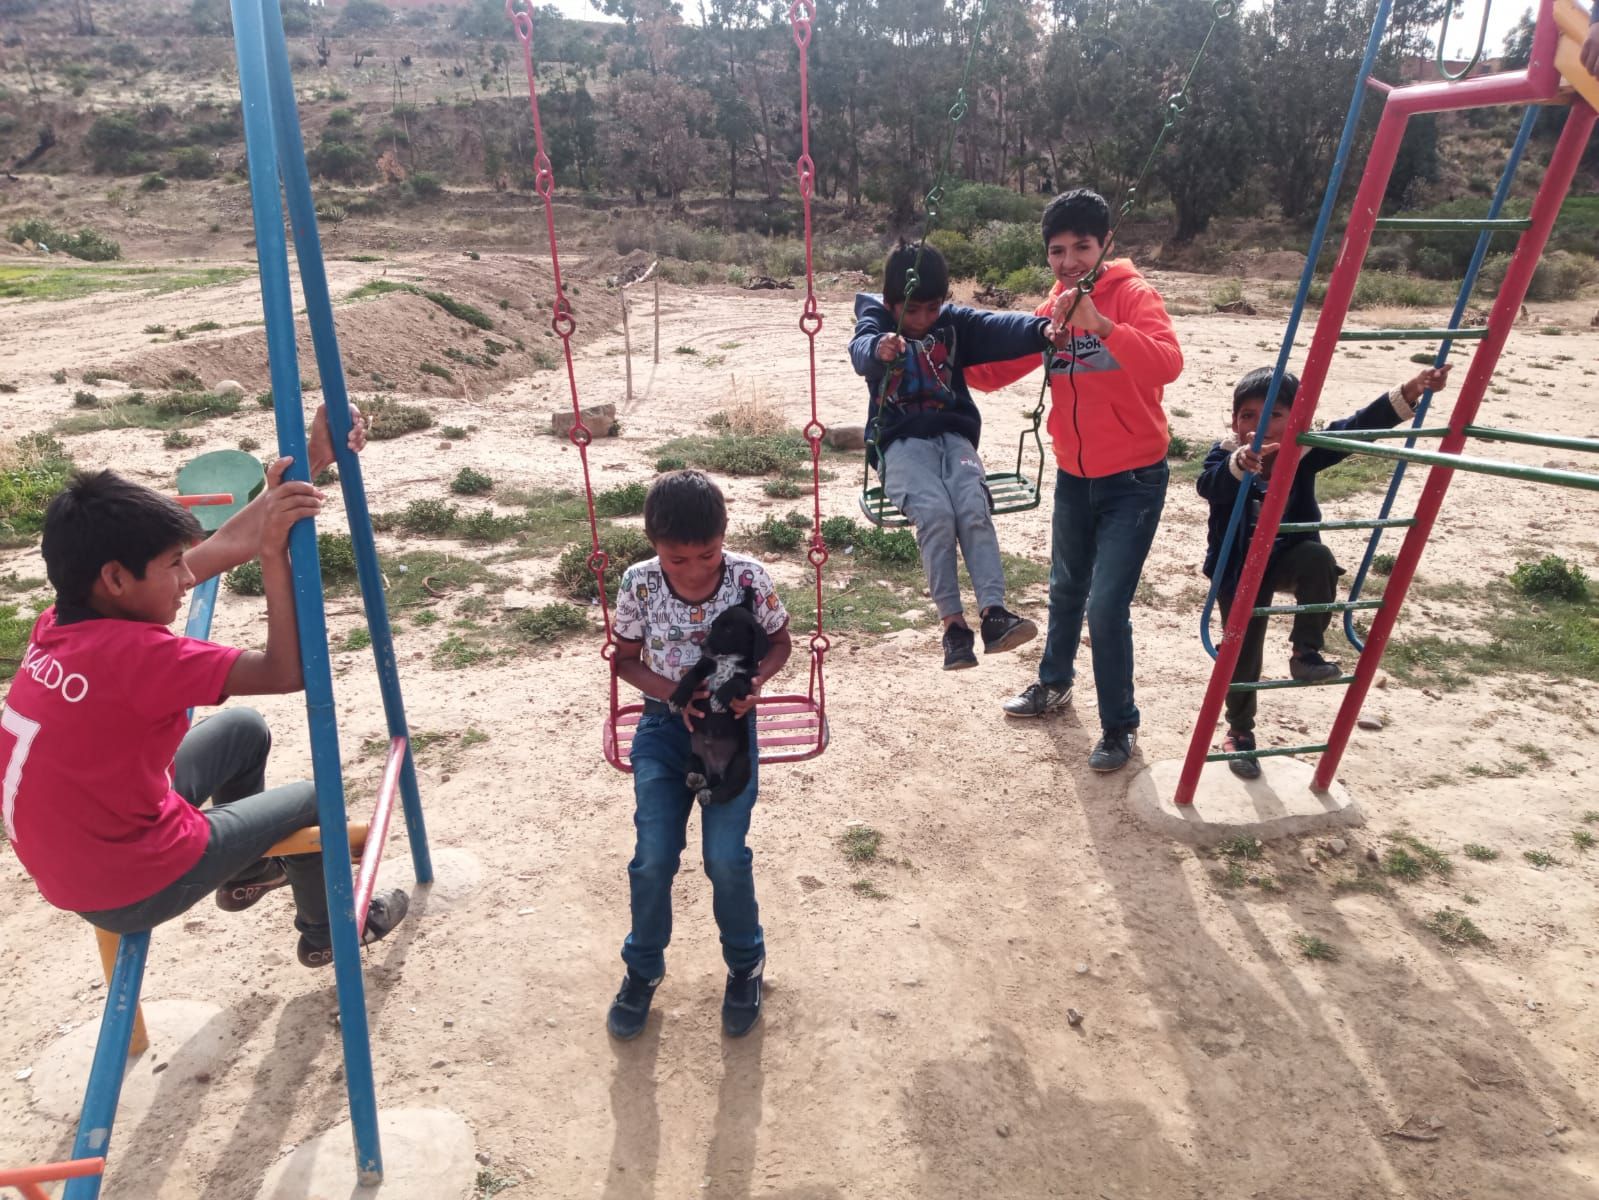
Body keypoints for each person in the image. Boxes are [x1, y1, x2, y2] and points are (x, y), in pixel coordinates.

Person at [1, 405, 409, 967]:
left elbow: (219, 548)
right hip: (129, 883)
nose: (189, 576)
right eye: (174, 565)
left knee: (242, 730)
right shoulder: (141, 657)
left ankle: (247, 871)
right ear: (115, 578)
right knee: (314, 800)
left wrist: (313, 461)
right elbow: (285, 672)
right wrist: (273, 553)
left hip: (79, 857)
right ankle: (328, 932)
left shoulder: (60, 623)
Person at [968, 189, 1182, 772]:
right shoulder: (1055, 304)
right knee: (1065, 588)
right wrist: (935, 353)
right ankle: (1054, 684)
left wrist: (1103, 326)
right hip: (1073, 474)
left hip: (1134, 479)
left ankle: (1119, 725)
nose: (1068, 262)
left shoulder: (1133, 295)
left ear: (1105, 244)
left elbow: (1168, 363)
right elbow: (1000, 369)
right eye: (1057, 251)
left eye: (1081, 248)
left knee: (1105, 607)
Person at [605, 470, 793, 1040]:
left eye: (707, 555)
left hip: (729, 727)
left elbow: (780, 641)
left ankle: (745, 965)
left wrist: (754, 684)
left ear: (724, 535)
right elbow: (625, 659)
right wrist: (673, 695)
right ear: (653, 545)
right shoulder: (639, 583)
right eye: (676, 559)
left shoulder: (747, 578)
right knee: (653, 858)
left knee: (725, 858)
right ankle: (642, 969)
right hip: (663, 727)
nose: (693, 570)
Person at [1197, 363, 1451, 779]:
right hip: (1239, 567)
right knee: (1241, 651)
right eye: (1248, 415)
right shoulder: (1227, 454)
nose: (1260, 425)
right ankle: (1240, 732)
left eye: (1275, 415)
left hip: (1286, 556)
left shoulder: (1303, 452)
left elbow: (1356, 429)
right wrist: (1240, 464)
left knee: (1318, 557)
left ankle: (1305, 652)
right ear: (1233, 420)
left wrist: (1411, 390)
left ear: (1298, 419)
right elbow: (1208, 484)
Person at [849, 241, 1057, 670]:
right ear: (891, 304)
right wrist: (878, 348)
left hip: (954, 437)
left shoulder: (952, 324)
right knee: (936, 513)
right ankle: (953, 627)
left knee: (972, 505)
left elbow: (997, 327)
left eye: (933, 308)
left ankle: (994, 615)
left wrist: (1042, 330)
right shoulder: (877, 321)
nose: (923, 320)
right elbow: (861, 348)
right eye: (912, 310)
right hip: (899, 444)